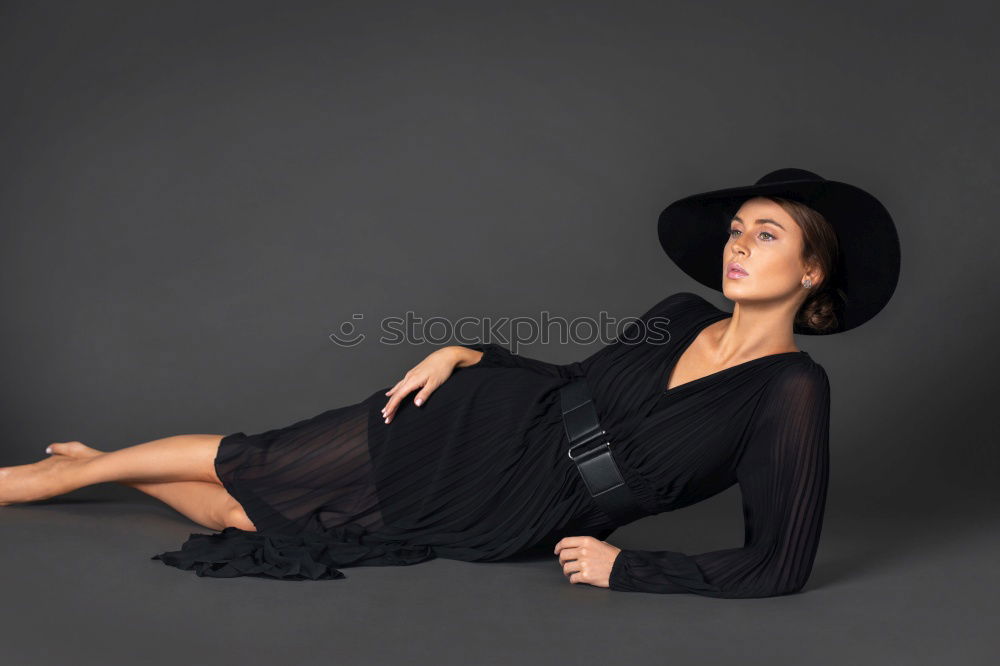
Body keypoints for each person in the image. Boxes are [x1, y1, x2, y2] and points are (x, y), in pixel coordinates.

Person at [0, 167, 900, 598]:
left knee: (254, 516)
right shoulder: (675, 311)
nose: (740, 244)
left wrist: (631, 567)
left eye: (768, 233)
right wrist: (470, 353)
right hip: (481, 419)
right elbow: (572, 380)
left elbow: (780, 563)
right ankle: (62, 473)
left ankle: (104, 463)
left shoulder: (791, 391)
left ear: (815, 273)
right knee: (263, 458)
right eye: (738, 228)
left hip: (522, 508)